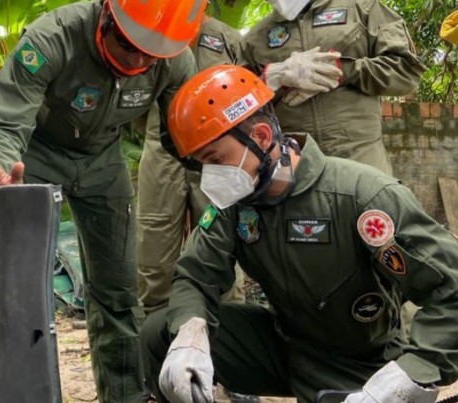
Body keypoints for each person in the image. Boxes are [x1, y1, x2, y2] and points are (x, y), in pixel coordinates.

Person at [140, 65, 458, 403]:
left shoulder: (361, 195)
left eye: (215, 159)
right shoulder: (233, 202)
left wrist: (411, 374)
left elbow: (451, 289)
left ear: (261, 137)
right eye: (201, 165)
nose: (210, 177)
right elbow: (195, 275)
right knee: (159, 334)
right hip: (283, 344)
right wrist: (190, 335)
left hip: (361, 364)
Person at [0, 1, 208, 401]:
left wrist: (227, 165)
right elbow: (6, 120)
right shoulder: (53, 37)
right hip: (34, 153)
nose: (139, 59)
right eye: (129, 47)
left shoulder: (173, 57)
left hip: (103, 160)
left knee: (119, 291)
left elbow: (186, 134)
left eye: (151, 54)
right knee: (12, 287)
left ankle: (124, 395)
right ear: (107, 17)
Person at [137, 15, 246, 315]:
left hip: (217, 151)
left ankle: (229, 337)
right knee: (153, 250)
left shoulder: (229, 38)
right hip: (160, 147)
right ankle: (157, 336)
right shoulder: (151, 32)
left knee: (221, 244)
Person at [243, 0, 426, 175]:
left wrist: (340, 70)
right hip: (295, 174)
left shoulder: (362, 8)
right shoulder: (255, 38)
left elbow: (406, 72)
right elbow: (234, 112)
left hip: (363, 166)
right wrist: (271, 79)